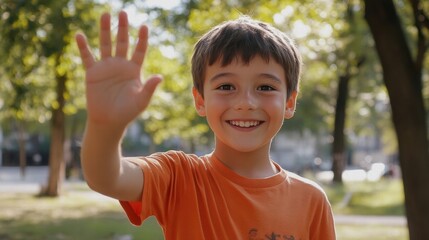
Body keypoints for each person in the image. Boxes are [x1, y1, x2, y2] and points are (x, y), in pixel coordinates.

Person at [76, 10, 336, 240]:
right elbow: (106, 177)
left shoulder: (312, 200)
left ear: (289, 102)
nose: (245, 102)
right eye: (226, 86)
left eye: (265, 87)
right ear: (200, 100)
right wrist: (105, 126)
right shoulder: (178, 176)